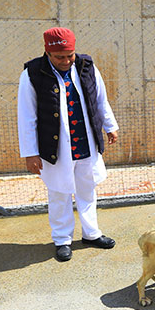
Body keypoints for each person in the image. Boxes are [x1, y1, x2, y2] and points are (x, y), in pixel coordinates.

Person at [17, 27, 119, 262]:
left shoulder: (86, 66)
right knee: (59, 193)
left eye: (69, 55)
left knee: (87, 188)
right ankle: (62, 240)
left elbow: (100, 98)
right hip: (56, 148)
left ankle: (91, 234)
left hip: (85, 141)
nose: (66, 61)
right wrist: (30, 153)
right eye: (60, 57)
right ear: (48, 53)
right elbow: (27, 116)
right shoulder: (32, 73)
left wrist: (109, 126)